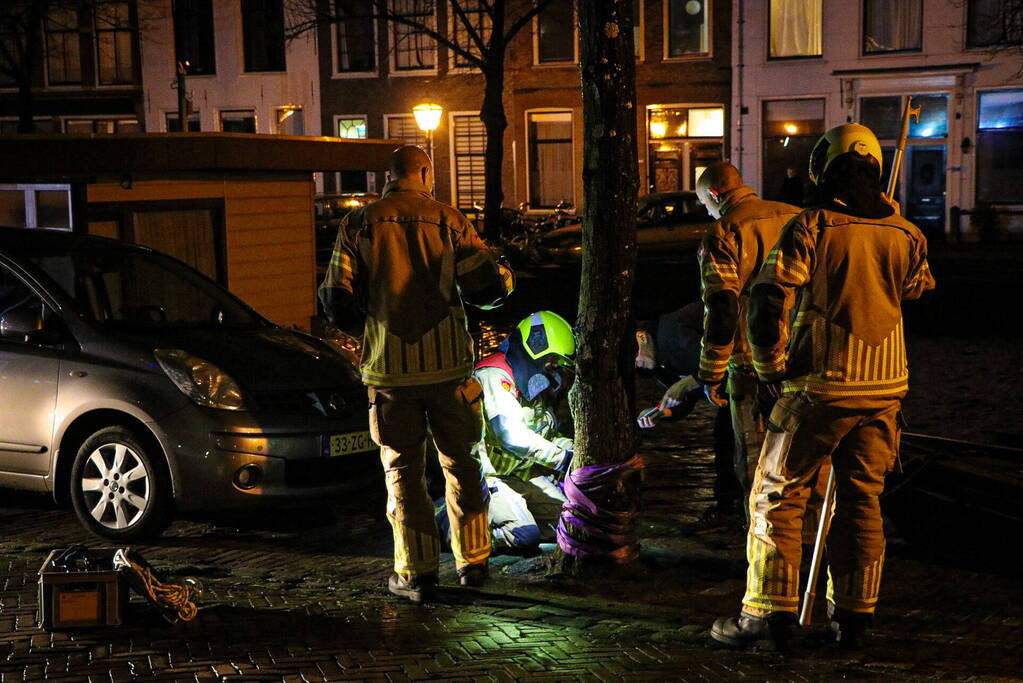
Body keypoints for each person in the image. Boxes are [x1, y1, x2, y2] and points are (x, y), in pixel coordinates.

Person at [710, 123, 935, 650]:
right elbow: (916, 292)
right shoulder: (908, 233)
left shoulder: (813, 226)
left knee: (776, 496)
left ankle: (767, 615)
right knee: (863, 503)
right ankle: (855, 617)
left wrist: (769, 373)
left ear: (822, 168)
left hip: (819, 386)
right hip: (884, 390)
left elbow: (766, 305)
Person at [318, 145, 514, 604]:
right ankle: (473, 563)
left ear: (389, 176)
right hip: (448, 370)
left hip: (390, 375)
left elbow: (334, 301)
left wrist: (375, 328)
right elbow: (487, 289)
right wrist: (503, 274)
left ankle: (417, 574)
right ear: (424, 172)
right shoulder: (450, 220)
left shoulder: (358, 224)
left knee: (402, 474)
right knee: (463, 465)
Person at [658, 163, 800, 528]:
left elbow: (722, 308)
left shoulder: (723, 232)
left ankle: (756, 532)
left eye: (704, 202)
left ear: (716, 195)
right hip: (800, 357)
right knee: (797, 451)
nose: (705, 210)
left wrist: (707, 375)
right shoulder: (799, 218)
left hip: (750, 362)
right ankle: (801, 527)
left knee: (751, 454)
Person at [438, 311, 575, 554]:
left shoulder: (533, 382)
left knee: (571, 523)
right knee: (523, 535)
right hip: (488, 477)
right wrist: (560, 458)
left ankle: (507, 515)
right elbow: (509, 435)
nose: (553, 367)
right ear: (536, 347)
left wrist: (571, 449)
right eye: (552, 360)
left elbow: (544, 433)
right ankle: (450, 524)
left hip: (519, 475)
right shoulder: (494, 376)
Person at [636, 302, 743, 529]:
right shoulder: (660, 365)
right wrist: (660, 413)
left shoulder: (671, 334)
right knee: (725, 446)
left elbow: (718, 365)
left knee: (737, 448)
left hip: (745, 381)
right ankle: (729, 510)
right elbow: (683, 402)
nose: (637, 365)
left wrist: (687, 383)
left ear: (642, 337)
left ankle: (737, 513)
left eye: (633, 356)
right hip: (730, 395)